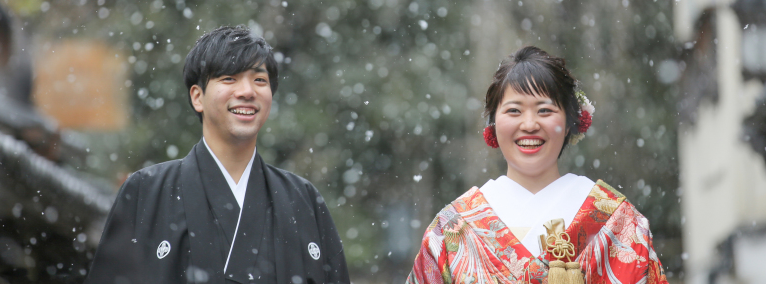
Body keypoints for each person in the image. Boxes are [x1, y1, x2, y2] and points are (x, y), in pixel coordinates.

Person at [86, 25, 349, 284]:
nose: (247, 91)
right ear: (197, 97)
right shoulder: (147, 192)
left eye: (259, 80)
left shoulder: (302, 200)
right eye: (229, 78)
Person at [406, 46, 668, 284]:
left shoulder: (619, 221)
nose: (529, 125)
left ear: (570, 122)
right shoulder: (453, 228)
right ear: (493, 124)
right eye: (514, 111)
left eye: (545, 110)